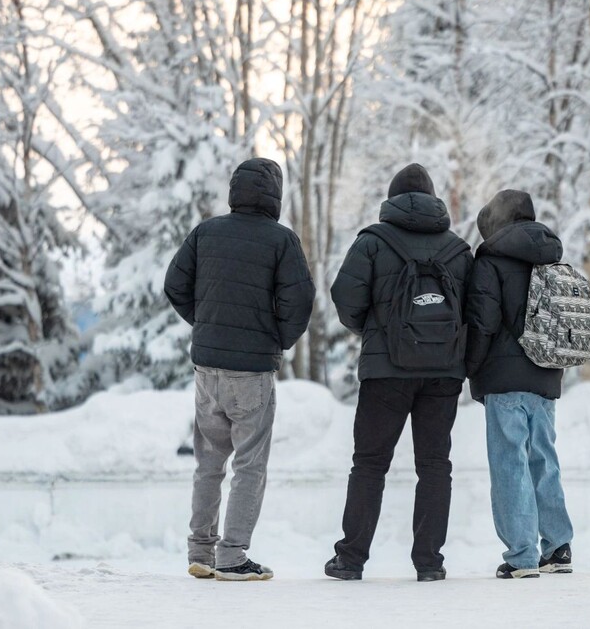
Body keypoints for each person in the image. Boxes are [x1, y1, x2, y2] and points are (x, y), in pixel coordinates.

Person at [164, 158, 316, 582]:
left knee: (208, 461)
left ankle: (200, 552)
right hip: (251, 372)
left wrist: (208, 324)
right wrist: (276, 339)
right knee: (250, 463)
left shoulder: (205, 232)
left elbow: (174, 284)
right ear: (274, 196)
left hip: (207, 367)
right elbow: (300, 301)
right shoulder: (282, 241)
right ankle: (231, 556)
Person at [325, 163, 473, 582]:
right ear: (434, 199)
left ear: (391, 200)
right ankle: (429, 563)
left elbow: (345, 296)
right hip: (443, 374)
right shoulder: (458, 249)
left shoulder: (373, 242)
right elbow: (475, 313)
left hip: (385, 370)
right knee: (435, 465)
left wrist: (375, 331)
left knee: (369, 464)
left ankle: (351, 560)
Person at [465, 189, 573, 579]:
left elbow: (483, 321)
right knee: (544, 459)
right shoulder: (551, 254)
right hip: (546, 372)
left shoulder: (490, 261)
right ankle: (558, 546)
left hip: (503, 377)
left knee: (510, 463)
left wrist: (470, 367)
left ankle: (522, 554)